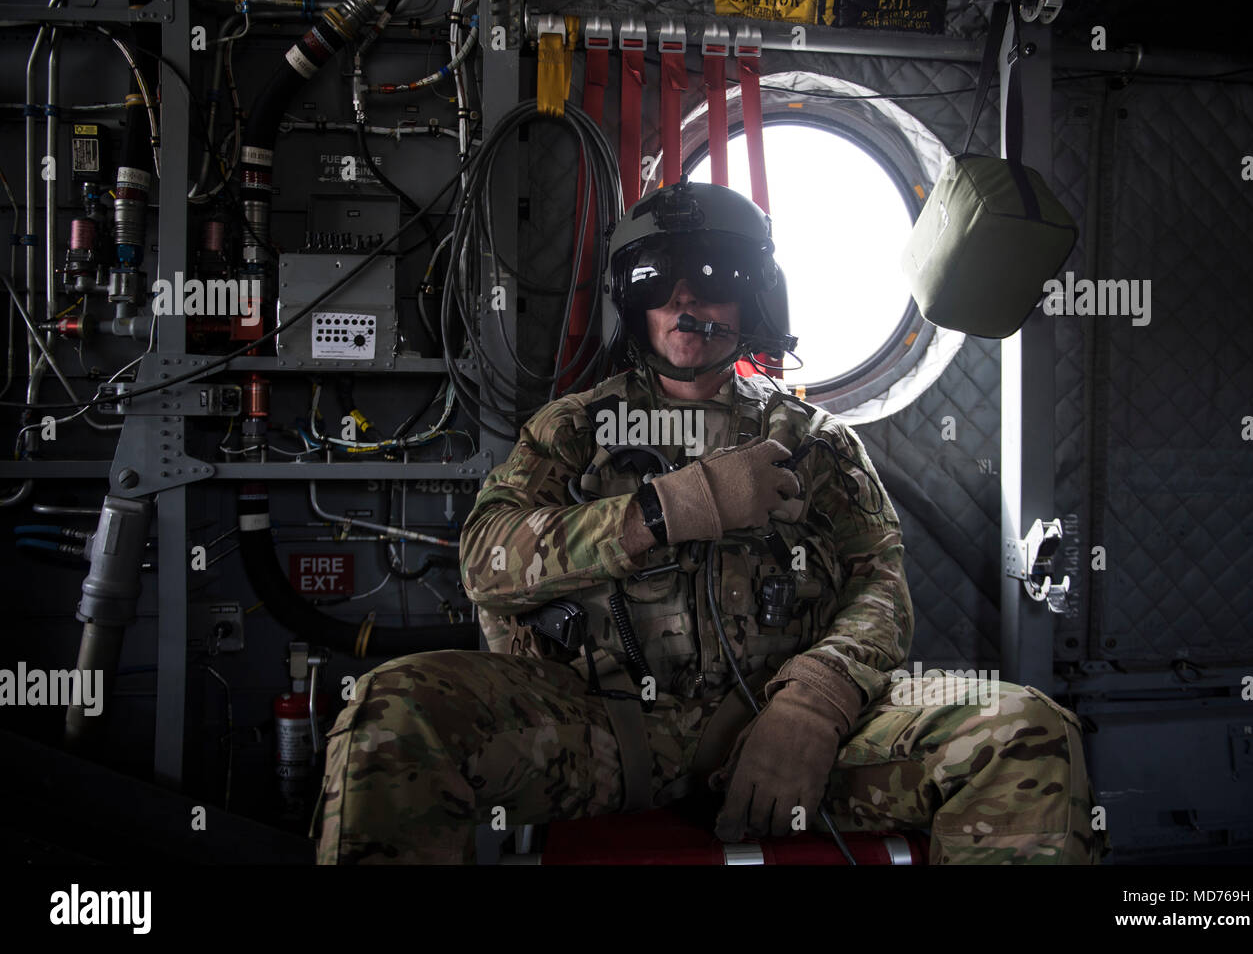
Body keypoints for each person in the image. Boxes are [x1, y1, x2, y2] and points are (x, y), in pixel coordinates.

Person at [312, 181, 1109, 864]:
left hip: (782, 729)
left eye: (717, 275)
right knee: (394, 708)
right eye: (659, 280)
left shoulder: (816, 441)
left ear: (754, 295)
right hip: (597, 729)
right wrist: (664, 511)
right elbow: (486, 561)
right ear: (632, 299)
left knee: (1024, 732)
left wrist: (813, 704)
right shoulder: (573, 429)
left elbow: (881, 586)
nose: (687, 299)